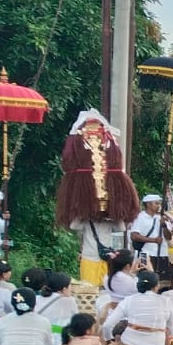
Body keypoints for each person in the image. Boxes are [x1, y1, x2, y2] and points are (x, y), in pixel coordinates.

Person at [59, 111, 137, 286]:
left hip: (94, 258)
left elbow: (73, 226)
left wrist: (84, 214)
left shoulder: (87, 222)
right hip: (103, 257)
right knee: (101, 293)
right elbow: (121, 227)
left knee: (94, 292)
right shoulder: (107, 222)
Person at [102, 271, 170, 345]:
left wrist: (109, 340)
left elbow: (107, 325)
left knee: (121, 327)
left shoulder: (129, 300)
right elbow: (170, 328)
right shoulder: (166, 301)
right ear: (157, 285)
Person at [129, 194, 173, 276]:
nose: (159, 206)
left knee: (163, 279)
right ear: (148, 204)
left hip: (162, 253)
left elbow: (169, 237)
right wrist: (153, 240)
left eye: (159, 203)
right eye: (156, 203)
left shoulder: (160, 217)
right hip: (144, 254)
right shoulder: (140, 217)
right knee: (145, 277)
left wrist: (164, 225)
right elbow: (134, 235)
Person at [35, 270, 78, 345]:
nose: (71, 289)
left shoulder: (37, 298)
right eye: (70, 286)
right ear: (64, 289)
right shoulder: (69, 301)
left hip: (39, 342)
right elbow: (77, 320)